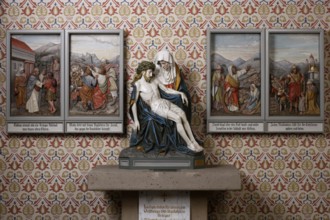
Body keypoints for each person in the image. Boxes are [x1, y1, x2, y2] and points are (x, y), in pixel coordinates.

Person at [130, 61, 203, 154]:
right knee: (177, 118)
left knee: (183, 114)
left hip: (164, 102)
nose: (151, 74)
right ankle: (189, 144)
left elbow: (166, 90)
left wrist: (180, 93)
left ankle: (194, 141)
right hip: (156, 107)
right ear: (143, 72)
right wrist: (136, 120)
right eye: (149, 72)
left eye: (152, 71)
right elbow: (134, 103)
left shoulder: (154, 80)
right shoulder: (138, 84)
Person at [153, 50, 191, 121]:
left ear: (169, 62)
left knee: (179, 98)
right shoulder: (157, 69)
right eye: (161, 64)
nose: (163, 66)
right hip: (162, 94)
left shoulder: (174, 69)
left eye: (164, 63)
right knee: (176, 98)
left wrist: (182, 93)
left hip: (173, 91)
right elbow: (161, 89)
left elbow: (181, 86)